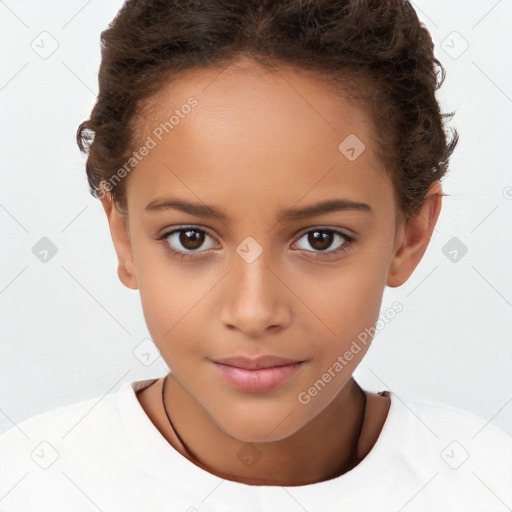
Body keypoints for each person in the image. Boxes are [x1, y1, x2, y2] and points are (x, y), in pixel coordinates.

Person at [1, 0, 510, 511]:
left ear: (411, 234)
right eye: (191, 238)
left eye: (321, 239)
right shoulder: (28, 485)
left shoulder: (487, 483)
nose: (253, 312)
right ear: (125, 236)